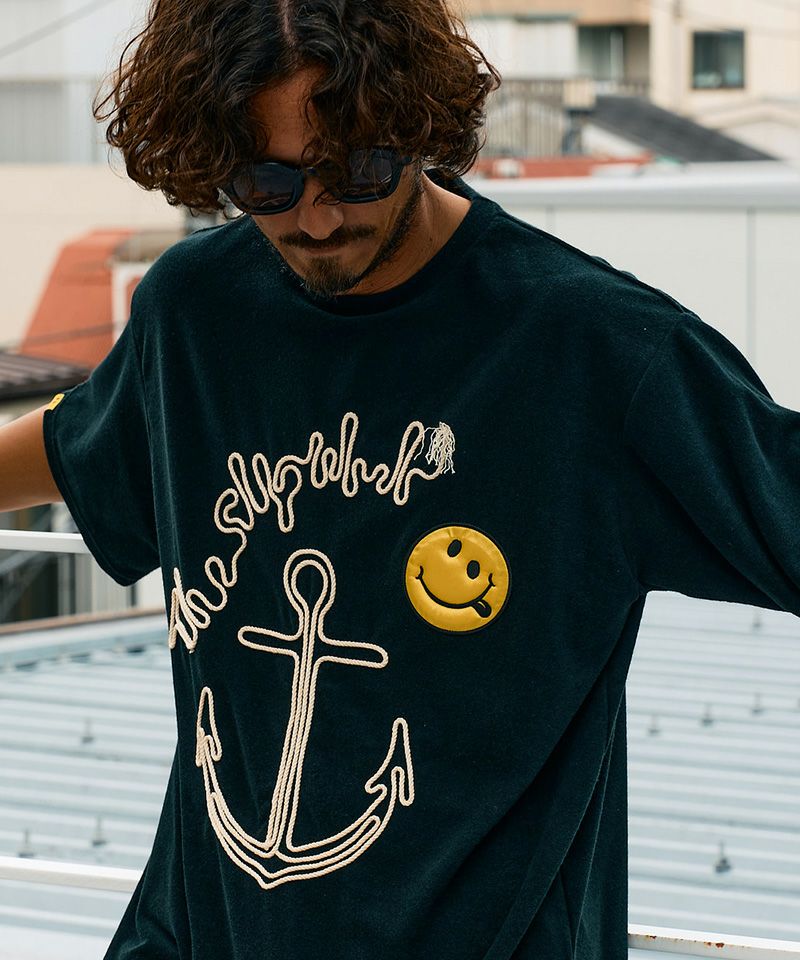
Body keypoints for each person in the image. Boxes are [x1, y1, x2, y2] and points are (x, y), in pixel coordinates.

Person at [5, 1, 800, 958]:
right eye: (267, 181)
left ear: (417, 123)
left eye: (358, 171)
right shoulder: (194, 313)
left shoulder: (594, 351)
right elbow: (80, 441)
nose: (316, 217)